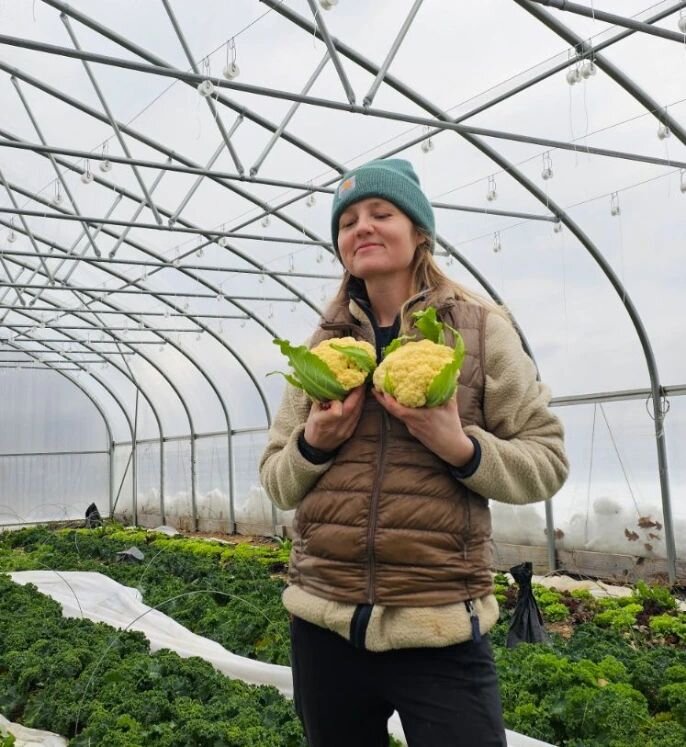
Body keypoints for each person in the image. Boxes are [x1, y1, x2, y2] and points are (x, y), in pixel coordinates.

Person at [259, 158, 569, 747]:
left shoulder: (479, 331)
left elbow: (546, 462)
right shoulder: (322, 348)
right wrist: (314, 444)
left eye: (381, 213)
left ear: (419, 231)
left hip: (439, 625)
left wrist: (458, 446)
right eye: (347, 221)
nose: (362, 228)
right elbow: (277, 480)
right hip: (323, 625)